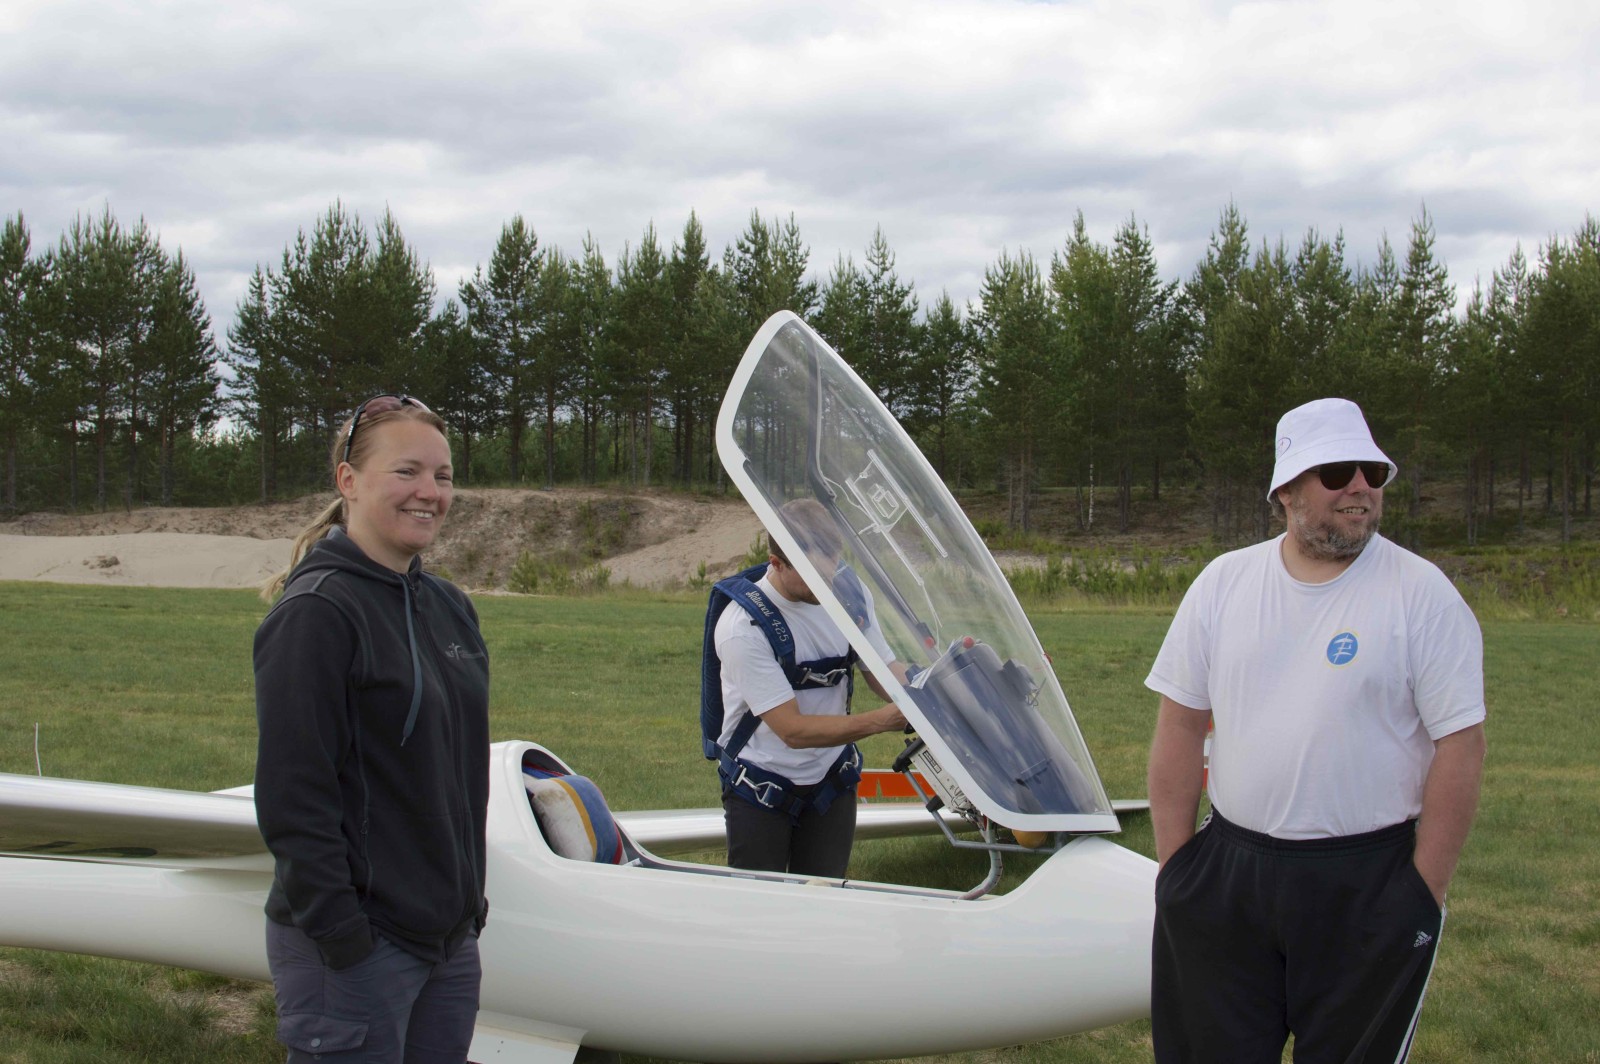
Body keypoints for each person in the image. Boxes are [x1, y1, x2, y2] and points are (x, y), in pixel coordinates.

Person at [1144, 397, 1487, 1064]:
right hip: (1227, 874)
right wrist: (1176, 870)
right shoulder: (1223, 583)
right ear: (1286, 491)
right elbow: (1181, 725)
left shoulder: (1422, 595)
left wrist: (1424, 890)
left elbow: (1461, 745)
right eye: (1336, 473)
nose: (1360, 487)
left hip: (1368, 882)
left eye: (1372, 473)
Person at [253, 394, 490, 1064]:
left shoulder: (447, 606)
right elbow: (293, 798)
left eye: (442, 476)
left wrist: (465, 910)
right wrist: (343, 935)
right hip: (359, 947)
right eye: (406, 471)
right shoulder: (317, 612)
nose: (430, 492)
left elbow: (454, 769)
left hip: (446, 942)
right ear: (348, 481)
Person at [708, 498, 907, 877]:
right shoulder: (742, 627)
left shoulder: (849, 594)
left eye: (831, 571)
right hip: (761, 789)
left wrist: (932, 688)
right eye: (814, 576)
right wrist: (883, 721)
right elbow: (793, 730)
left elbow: (882, 670)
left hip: (832, 782)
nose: (826, 585)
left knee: (825, 899)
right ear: (776, 562)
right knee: (760, 907)